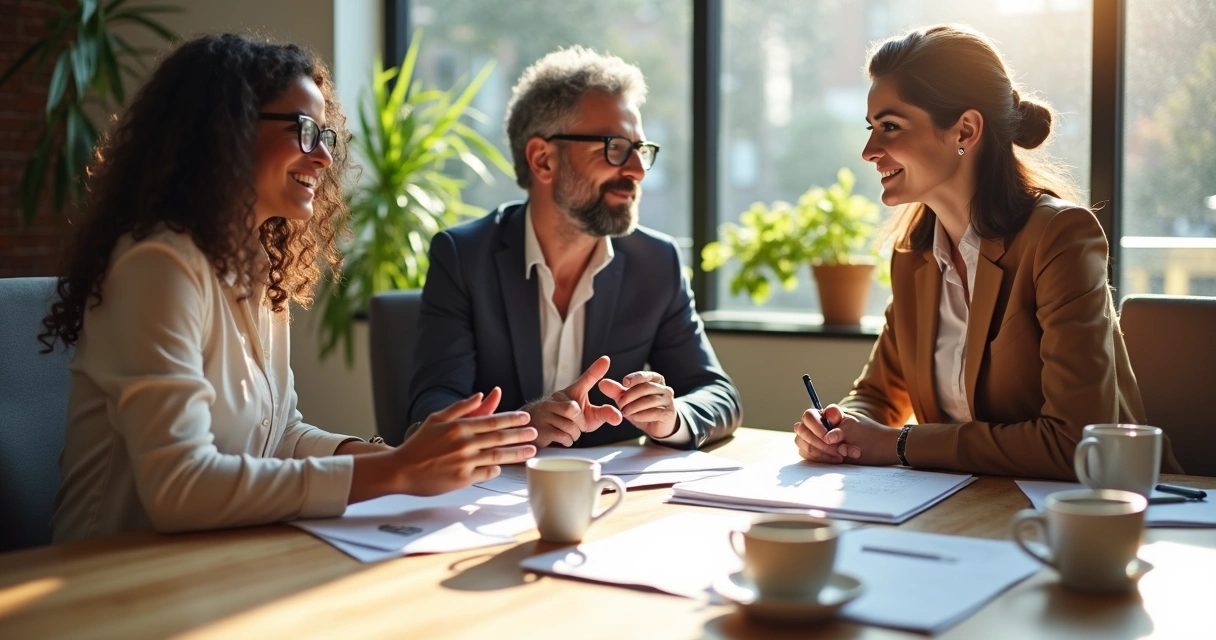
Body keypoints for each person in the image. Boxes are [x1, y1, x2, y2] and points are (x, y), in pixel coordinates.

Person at [41, 34, 537, 543]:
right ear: (224, 132)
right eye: (303, 129)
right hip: (111, 578)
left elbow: (282, 436)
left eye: (326, 135)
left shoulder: (257, 268)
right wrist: (397, 472)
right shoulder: (157, 264)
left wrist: (406, 460)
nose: (323, 158)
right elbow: (180, 486)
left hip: (216, 558)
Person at [793, 25, 1182, 479]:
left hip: (1096, 511)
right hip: (969, 508)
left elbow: (1076, 441)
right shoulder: (914, 255)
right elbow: (880, 395)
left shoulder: (1060, 237)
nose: (869, 150)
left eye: (890, 127)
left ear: (965, 129)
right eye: (871, 127)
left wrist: (899, 443)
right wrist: (838, 429)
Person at [407, 46, 741, 450]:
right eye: (615, 148)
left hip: (618, 500)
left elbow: (718, 394)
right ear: (543, 159)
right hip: (491, 499)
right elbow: (431, 413)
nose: (636, 171)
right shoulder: (463, 258)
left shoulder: (657, 263)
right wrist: (521, 427)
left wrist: (671, 418)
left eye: (641, 151)